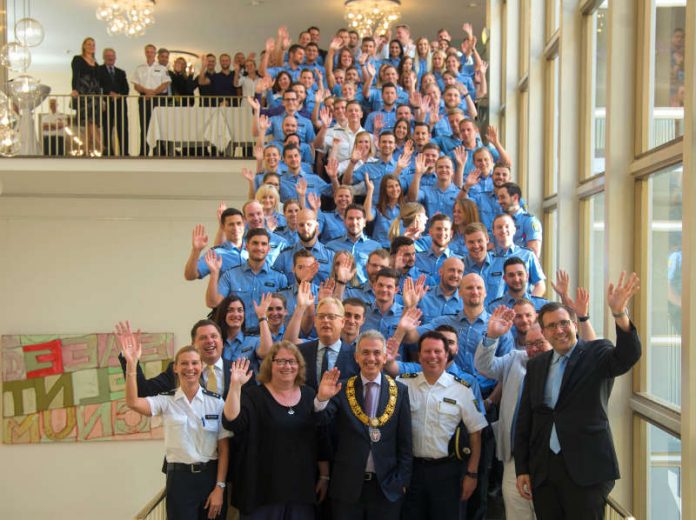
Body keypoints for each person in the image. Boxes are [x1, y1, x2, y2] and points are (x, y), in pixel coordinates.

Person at [514, 273, 642, 519]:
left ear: (574, 324)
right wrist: (522, 468)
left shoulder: (596, 353)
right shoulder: (537, 365)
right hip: (544, 472)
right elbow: (526, 419)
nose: (559, 330)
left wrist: (619, 314)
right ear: (544, 332)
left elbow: (628, 355)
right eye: (551, 326)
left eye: (564, 323)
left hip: (587, 471)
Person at [118, 323, 229, 520]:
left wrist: (219, 487)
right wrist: (131, 364)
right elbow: (133, 402)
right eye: (184, 364)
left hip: (209, 478)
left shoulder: (216, 402)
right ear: (175, 368)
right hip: (179, 479)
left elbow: (223, 448)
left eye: (194, 363)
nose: (190, 368)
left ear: (201, 365)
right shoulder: (166, 401)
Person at [223, 342, 330, 519]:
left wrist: (324, 476)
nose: (286, 366)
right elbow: (231, 422)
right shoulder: (253, 395)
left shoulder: (311, 395)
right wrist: (235, 386)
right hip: (261, 493)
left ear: (299, 365)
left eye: (292, 361)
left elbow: (321, 438)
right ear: (269, 365)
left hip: (300, 492)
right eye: (280, 361)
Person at [315, 331, 413, 519]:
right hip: (347, 487)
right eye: (365, 352)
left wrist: (402, 481)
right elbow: (320, 423)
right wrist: (321, 399)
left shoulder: (400, 391)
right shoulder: (341, 388)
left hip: (386, 488)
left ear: (385, 358)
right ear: (356, 357)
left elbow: (405, 442)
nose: (371, 358)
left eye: (377, 353)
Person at [398, 330, 487, 520]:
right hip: (411, 472)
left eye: (438, 352)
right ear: (419, 355)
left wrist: (472, 474)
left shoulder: (462, 389)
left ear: (447, 356)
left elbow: (476, 435)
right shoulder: (402, 385)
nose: (432, 356)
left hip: (448, 473)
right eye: (427, 351)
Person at [118, 319, 231, 398]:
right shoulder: (180, 370)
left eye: (214, 336)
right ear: (193, 345)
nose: (210, 341)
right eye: (203, 338)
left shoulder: (239, 370)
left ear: (221, 342)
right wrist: (130, 361)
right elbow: (143, 391)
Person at [133, 43, 171, 156]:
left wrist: (153, 93)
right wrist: (146, 91)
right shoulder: (139, 68)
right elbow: (136, 85)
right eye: (148, 52)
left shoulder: (162, 68)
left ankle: (157, 152)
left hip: (158, 100)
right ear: (145, 53)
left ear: (155, 54)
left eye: (152, 52)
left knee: (158, 127)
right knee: (144, 126)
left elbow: (165, 83)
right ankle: (143, 152)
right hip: (144, 100)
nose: (150, 54)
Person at [71, 37, 102, 156]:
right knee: (90, 121)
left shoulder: (96, 63)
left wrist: (102, 99)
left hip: (95, 95)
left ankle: (87, 149)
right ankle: (101, 146)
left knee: (92, 122)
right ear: (84, 46)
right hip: (84, 93)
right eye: (88, 44)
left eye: (93, 44)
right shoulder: (78, 59)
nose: (91, 46)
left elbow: (98, 82)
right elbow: (75, 75)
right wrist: (74, 89)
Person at [97, 47, 129, 156]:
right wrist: (108, 93)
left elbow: (126, 89)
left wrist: (119, 95)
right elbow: (98, 87)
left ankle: (124, 152)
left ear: (115, 58)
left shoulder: (121, 72)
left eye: (112, 56)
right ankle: (107, 153)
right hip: (106, 104)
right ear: (103, 58)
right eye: (108, 56)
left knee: (123, 128)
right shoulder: (99, 70)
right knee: (107, 128)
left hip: (120, 105)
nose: (110, 58)